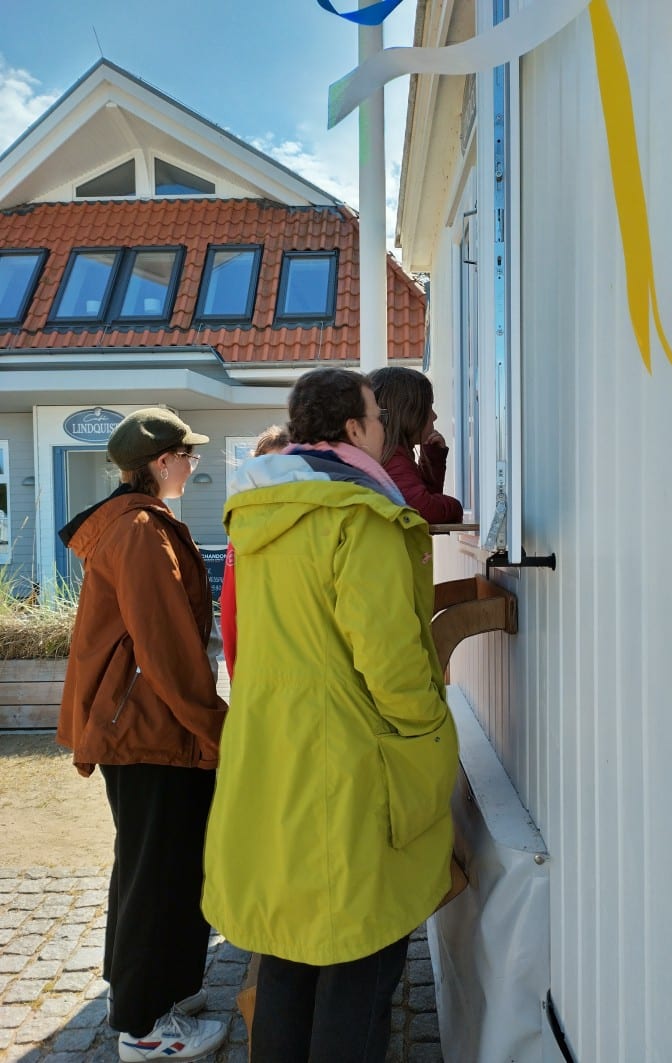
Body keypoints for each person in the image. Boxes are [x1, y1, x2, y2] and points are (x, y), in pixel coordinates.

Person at [202, 368, 459, 1062]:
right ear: (352, 429)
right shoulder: (358, 516)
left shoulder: (256, 518)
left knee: (288, 953)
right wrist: (432, 737)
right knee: (359, 962)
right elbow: (392, 663)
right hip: (349, 770)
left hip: (272, 759)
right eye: (377, 416)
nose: (384, 429)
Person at [56, 407, 229, 1063]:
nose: (194, 464)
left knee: (150, 863)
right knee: (161, 870)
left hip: (144, 725)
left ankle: (150, 989)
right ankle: (143, 1026)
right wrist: (215, 726)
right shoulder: (140, 533)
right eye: (187, 454)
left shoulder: (137, 524)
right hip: (149, 728)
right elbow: (166, 649)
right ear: (162, 461)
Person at [219, 423, 289, 676]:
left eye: (283, 466)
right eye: (267, 466)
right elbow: (230, 607)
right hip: (258, 663)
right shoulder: (242, 527)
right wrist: (235, 671)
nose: (274, 477)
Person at [368, 366, 463, 524]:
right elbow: (423, 510)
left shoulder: (387, 454)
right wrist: (456, 506)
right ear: (408, 413)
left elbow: (418, 498)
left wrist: (432, 461)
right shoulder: (392, 458)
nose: (435, 416)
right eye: (428, 407)